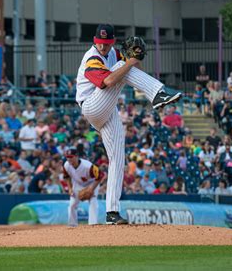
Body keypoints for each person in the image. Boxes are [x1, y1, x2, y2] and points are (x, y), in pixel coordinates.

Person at [75, 24, 181, 225]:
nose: (103, 47)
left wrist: (137, 58)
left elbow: (135, 71)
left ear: (112, 41)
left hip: (108, 108)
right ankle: (158, 94)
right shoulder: (92, 58)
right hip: (92, 106)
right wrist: (131, 61)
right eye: (99, 43)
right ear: (94, 40)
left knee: (117, 157)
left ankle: (112, 213)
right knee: (119, 70)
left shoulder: (114, 52)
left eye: (106, 43)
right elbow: (109, 81)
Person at [63, 148, 105, 226]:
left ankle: (93, 224)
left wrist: (91, 188)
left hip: (91, 183)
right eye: (67, 157)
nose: (69, 159)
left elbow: (100, 175)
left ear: (76, 156)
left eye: (71, 156)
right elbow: (66, 176)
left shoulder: (88, 166)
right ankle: (72, 224)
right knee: (72, 204)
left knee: (93, 201)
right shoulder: (66, 165)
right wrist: (70, 188)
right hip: (77, 184)